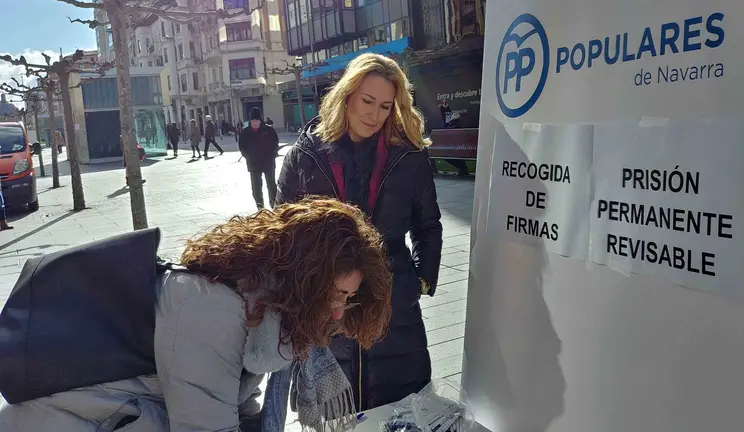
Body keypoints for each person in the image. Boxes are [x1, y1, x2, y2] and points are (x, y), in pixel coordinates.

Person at [0, 197, 393, 431]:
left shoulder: (261, 306)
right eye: (335, 295)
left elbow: (230, 392)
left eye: (349, 299)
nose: (339, 311)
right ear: (304, 281)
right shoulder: (212, 309)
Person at [276, 52, 443, 410]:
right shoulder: (305, 156)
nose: (374, 114)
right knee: (336, 413)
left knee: (401, 410)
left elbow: (428, 225)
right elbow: (283, 233)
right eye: (367, 101)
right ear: (347, 95)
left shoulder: (408, 157)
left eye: (385, 106)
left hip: (394, 308)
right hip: (326, 307)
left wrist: (421, 281)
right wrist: (304, 290)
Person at [239, 108, 279, 209]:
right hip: (254, 164)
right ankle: (260, 208)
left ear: (261, 121)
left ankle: (273, 205)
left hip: (268, 163)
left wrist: (271, 155)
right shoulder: (245, 133)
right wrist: (249, 157)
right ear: (250, 121)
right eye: (253, 120)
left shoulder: (269, 130)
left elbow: (275, 144)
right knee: (256, 189)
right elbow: (242, 148)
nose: (255, 123)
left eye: (257, 120)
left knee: (272, 186)